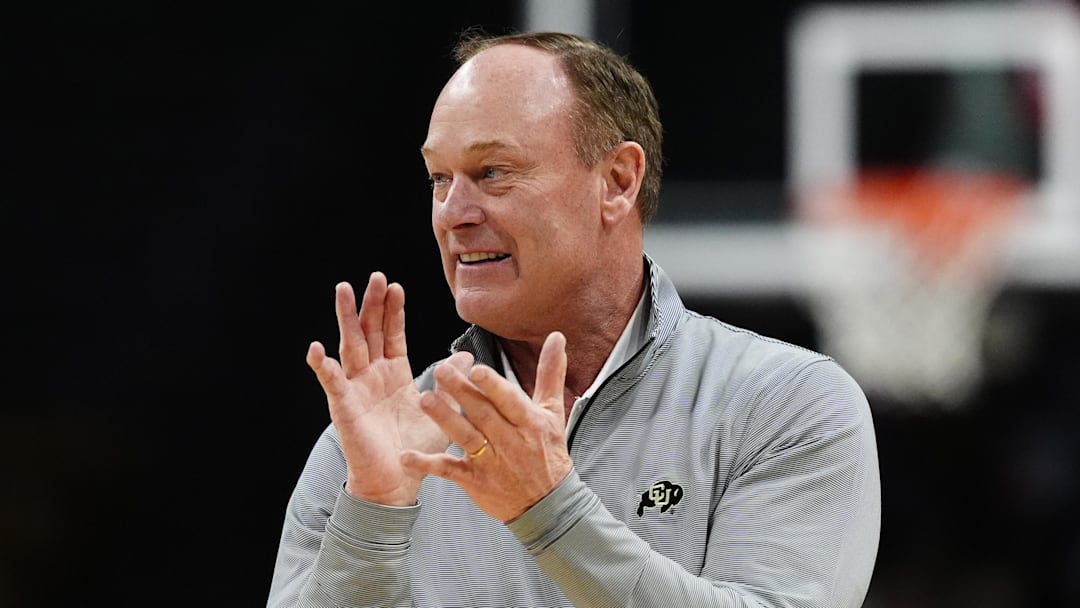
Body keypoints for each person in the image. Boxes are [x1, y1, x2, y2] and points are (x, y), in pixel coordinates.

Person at [268, 29, 880, 608]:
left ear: (618, 181)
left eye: (492, 173)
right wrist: (373, 511)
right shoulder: (375, 445)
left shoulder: (785, 403)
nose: (452, 213)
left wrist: (549, 512)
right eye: (438, 178)